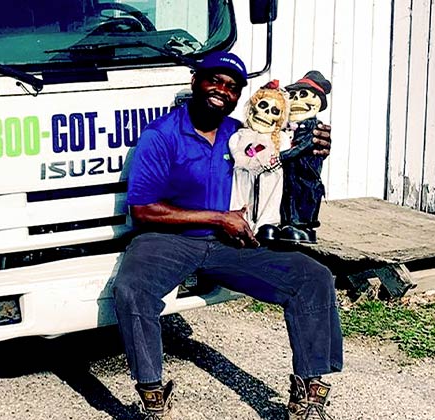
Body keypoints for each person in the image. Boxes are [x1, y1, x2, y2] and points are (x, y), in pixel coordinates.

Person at [113, 51, 342, 420]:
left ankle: (308, 397)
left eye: (232, 87)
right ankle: (153, 396)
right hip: (168, 238)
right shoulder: (162, 135)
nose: (222, 90)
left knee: (312, 276)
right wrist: (218, 218)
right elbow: (143, 210)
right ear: (195, 83)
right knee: (132, 289)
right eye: (214, 81)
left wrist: (312, 151)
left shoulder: (242, 134)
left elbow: (280, 161)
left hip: (230, 243)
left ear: (238, 98)